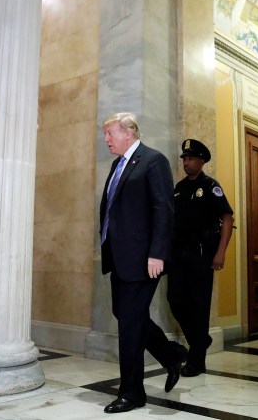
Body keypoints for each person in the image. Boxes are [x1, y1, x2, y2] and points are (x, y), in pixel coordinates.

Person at [99, 112, 187, 414]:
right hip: (120, 256)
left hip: (143, 258)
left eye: (110, 133)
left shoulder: (153, 160)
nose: (106, 139)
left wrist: (157, 253)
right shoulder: (118, 164)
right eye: (106, 134)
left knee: (131, 323)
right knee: (124, 314)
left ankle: (132, 392)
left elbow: (164, 209)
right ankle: (172, 354)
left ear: (129, 132)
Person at [167, 139, 234, 377]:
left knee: (199, 306)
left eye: (191, 158)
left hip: (202, 254)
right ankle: (200, 338)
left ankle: (197, 361)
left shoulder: (210, 186)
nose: (186, 162)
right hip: (178, 254)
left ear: (202, 160)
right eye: (184, 158)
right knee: (174, 299)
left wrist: (221, 252)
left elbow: (227, 218)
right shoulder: (178, 188)